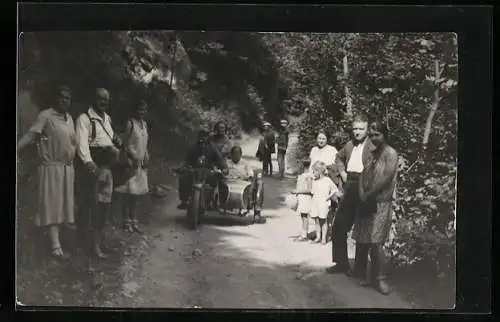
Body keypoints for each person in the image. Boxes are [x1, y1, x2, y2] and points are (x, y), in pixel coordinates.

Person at [17, 85, 76, 260]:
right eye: (62, 97)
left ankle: (55, 241)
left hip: (66, 168)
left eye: (68, 98)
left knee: (63, 206)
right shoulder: (46, 116)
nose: (65, 101)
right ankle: (55, 248)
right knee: (52, 205)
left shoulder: (69, 118)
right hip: (51, 168)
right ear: (55, 99)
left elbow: (72, 140)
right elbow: (31, 136)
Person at [352, 121, 398, 295]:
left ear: (384, 135)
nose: (373, 138)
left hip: (381, 201)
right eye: (371, 135)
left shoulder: (390, 153)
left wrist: (369, 193)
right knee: (365, 238)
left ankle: (381, 278)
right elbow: (363, 173)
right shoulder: (371, 152)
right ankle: (366, 275)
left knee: (377, 241)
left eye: (376, 135)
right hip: (367, 200)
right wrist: (362, 192)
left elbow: (386, 177)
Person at [75, 88, 121, 259]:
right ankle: (87, 246)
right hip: (94, 167)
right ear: (93, 99)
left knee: (104, 205)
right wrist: (89, 163)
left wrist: (115, 140)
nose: (104, 102)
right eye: (101, 99)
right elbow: (82, 144)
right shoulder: (84, 119)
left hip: (107, 167)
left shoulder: (107, 118)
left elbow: (107, 137)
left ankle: (100, 242)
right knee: (91, 206)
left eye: (106, 99)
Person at [327, 114, 375, 274]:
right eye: (355, 128)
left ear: (367, 130)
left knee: (362, 228)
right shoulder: (349, 145)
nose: (357, 132)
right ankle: (341, 264)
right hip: (350, 185)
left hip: (366, 187)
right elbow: (338, 158)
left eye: (361, 129)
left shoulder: (372, 145)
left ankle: (360, 268)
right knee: (339, 225)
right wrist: (342, 172)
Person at [114, 100, 150, 234]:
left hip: (141, 163)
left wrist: (146, 154)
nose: (142, 112)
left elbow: (145, 142)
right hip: (131, 162)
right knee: (128, 193)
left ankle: (134, 220)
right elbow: (125, 144)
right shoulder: (131, 123)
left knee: (137, 194)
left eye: (144, 110)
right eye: (140, 109)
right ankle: (126, 221)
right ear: (135, 110)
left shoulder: (144, 124)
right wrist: (133, 157)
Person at [177, 126, 228, 210]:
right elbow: (187, 160)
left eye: (205, 136)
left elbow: (220, 160)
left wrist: (224, 168)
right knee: (183, 178)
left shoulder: (212, 149)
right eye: (201, 136)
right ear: (198, 137)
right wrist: (184, 166)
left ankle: (215, 202)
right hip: (194, 173)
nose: (203, 139)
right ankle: (184, 200)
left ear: (208, 138)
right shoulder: (193, 148)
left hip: (208, 173)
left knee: (219, 180)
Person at [225, 145, 264, 222]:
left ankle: (256, 210)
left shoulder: (245, 163)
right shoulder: (226, 163)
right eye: (234, 154)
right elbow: (221, 170)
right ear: (231, 154)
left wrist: (249, 176)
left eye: (238, 154)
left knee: (259, 184)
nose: (236, 155)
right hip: (229, 182)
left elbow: (250, 173)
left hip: (242, 183)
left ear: (241, 154)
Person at [310, 161, 341, 244]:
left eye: (314, 171)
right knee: (316, 220)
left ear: (319, 171)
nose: (313, 173)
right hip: (315, 202)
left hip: (323, 203)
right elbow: (312, 192)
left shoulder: (327, 180)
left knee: (323, 221)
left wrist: (329, 197)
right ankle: (318, 237)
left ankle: (323, 238)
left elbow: (335, 190)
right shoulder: (314, 181)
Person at [291, 158, 313, 242]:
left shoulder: (308, 176)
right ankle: (304, 233)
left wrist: (297, 191)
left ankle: (304, 235)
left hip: (306, 198)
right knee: (302, 216)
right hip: (301, 198)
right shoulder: (302, 175)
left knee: (304, 216)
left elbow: (310, 189)